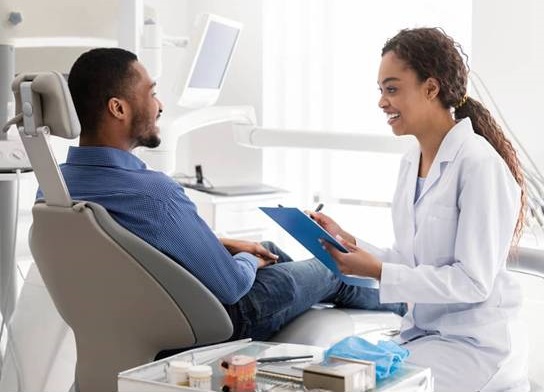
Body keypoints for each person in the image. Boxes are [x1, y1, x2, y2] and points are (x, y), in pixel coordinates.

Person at [50, 47, 405, 342]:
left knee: (267, 246)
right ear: (119, 108)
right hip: (222, 319)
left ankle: (348, 293)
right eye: (152, 93)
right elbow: (233, 286)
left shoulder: (57, 187)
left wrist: (228, 244)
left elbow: (132, 248)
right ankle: (409, 305)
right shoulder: (155, 194)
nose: (160, 106)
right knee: (327, 268)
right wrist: (249, 261)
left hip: (141, 317)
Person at [313, 28, 529, 391]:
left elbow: (472, 281)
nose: (382, 102)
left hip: (475, 346)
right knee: (328, 374)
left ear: (431, 89)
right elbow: (411, 258)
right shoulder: (411, 160)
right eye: (381, 91)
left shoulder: (478, 164)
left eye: (392, 89)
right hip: (425, 335)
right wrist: (353, 244)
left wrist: (380, 271)